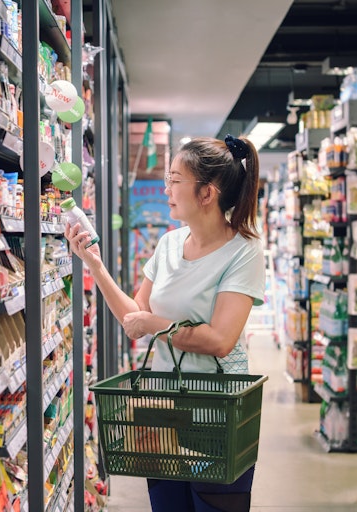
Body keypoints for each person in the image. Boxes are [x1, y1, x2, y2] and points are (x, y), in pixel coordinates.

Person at [66, 134, 266, 512]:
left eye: (175, 180)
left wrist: (152, 323)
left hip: (215, 411)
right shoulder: (169, 244)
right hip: (162, 405)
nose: (166, 188)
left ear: (207, 193)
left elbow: (220, 340)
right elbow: (133, 318)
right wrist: (94, 263)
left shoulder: (244, 251)